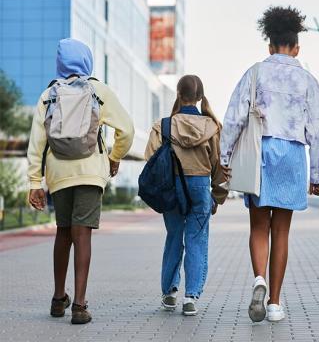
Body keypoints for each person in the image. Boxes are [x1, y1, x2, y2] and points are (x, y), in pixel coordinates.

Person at [220, 6, 319, 323]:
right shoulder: (308, 80)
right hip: (293, 155)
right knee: (281, 231)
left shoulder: (254, 73)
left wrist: (224, 158)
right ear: (297, 48)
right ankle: (275, 304)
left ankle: (259, 279)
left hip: (260, 153)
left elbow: (233, 119)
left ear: (269, 46)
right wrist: (318, 173)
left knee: (258, 226)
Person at [27, 38, 134, 324]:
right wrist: (114, 156)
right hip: (89, 172)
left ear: (60, 64)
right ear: (87, 61)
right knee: (82, 234)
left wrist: (34, 182)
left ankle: (58, 298)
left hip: (58, 174)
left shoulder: (48, 94)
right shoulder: (99, 90)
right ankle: (80, 305)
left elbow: (36, 142)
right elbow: (127, 129)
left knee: (63, 233)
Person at [145, 75, 228, 316]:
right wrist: (217, 196)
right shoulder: (212, 127)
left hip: (172, 188)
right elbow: (220, 166)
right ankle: (190, 297)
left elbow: (150, 158)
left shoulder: (164, 126)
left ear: (179, 96)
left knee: (174, 237)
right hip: (200, 188)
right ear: (200, 97)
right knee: (197, 239)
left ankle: (169, 293)